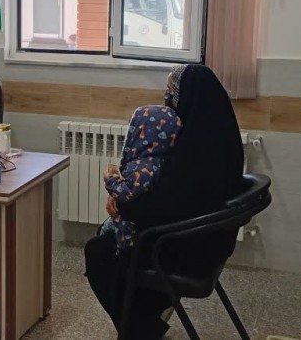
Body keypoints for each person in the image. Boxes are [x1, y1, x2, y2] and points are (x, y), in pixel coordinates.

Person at [84, 64, 245, 339]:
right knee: (110, 239)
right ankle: (144, 321)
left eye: (172, 92)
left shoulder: (197, 150)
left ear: (189, 96)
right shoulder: (219, 134)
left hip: (187, 248)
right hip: (210, 240)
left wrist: (122, 205)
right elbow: (174, 199)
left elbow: (165, 209)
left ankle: (140, 330)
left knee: (98, 250)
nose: (168, 99)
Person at [100, 105, 182, 253]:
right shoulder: (162, 162)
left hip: (129, 229)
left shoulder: (144, 167)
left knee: (101, 240)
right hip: (138, 222)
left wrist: (110, 180)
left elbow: (126, 193)